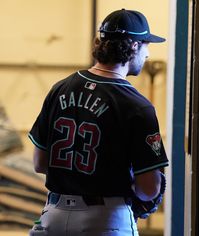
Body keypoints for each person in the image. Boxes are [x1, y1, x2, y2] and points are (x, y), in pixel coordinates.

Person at [28, 8, 169, 236]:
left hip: (54, 216)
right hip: (106, 219)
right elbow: (148, 189)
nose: (148, 54)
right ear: (133, 46)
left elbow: (40, 163)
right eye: (146, 44)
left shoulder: (60, 88)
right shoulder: (137, 105)